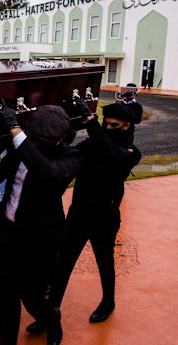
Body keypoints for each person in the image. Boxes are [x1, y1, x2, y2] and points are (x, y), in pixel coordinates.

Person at [48, 98, 141, 325]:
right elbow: (67, 154)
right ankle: (50, 312)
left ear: (127, 125)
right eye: (105, 124)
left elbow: (111, 154)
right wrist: (65, 130)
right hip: (79, 214)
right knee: (64, 264)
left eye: (114, 125)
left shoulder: (130, 152)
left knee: (105, 263)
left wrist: (92, 122)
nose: (108, 128)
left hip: (105, 219)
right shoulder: (92, 145)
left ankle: (108, 302)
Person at [0, 102, 82, 345]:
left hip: (41, 240)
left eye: (39, 140)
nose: (33, 143)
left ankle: (53, 324)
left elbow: (46, 173)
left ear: (59, 138)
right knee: (7, 296)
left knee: (31, 297)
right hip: (10, 233)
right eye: (31, 137)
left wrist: (16, 131)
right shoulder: (21, 147)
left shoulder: (71, 157)